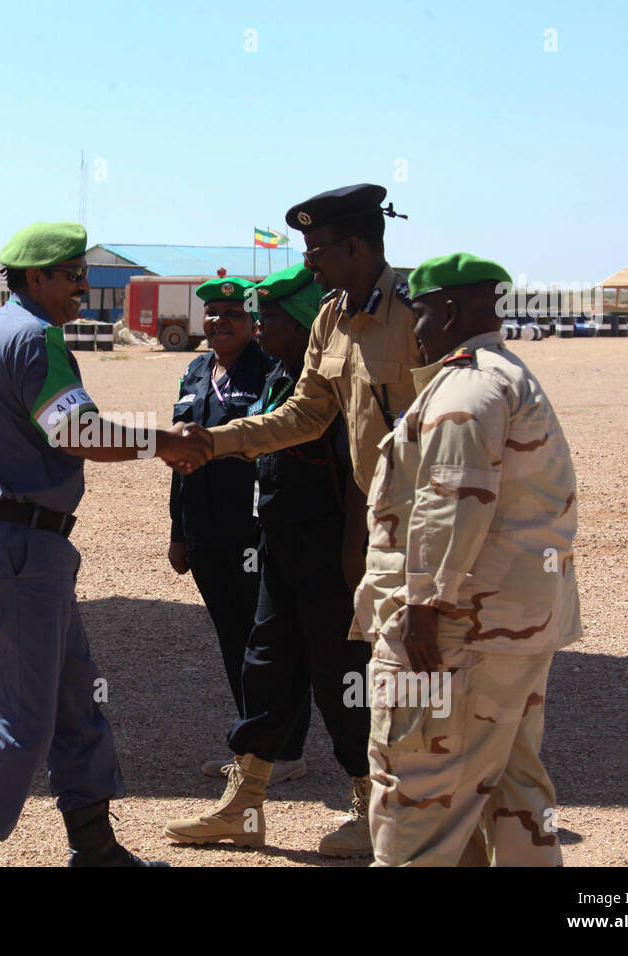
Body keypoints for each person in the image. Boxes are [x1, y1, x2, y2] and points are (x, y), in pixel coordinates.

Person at [0, 221, 208, 866]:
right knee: (21, 717)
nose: (83, 285)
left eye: (81, 272)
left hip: (12, 539)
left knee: (73, 695)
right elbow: (76, 430)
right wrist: (163, 443)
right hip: (23, 544)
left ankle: (94, 845)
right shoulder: (36, 338)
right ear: (35, 278)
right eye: (71, 274)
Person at [188, 183, 418, 856]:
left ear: (357, 245)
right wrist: (218, 441)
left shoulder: (415, 316)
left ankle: (384, 811)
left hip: (395, 528)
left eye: (319, 250)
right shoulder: (331, 319)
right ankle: (245, 800)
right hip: (338, 527)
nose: (311, 263)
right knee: (268, 661)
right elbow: (308, 413)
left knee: (367, 669)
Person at [357, 252, 581, 866]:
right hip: (509, 626)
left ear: (450, 310)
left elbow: (452, 502)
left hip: (460, 628)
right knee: (511, 792)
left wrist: (424, 607)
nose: (417, 329)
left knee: (418, 794)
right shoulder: (506, 375)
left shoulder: (468, 388)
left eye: (421, 314)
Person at [164, 263, 370, 848]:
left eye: (271, 315)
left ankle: (373, 807)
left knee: (340, 677)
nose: (261, 323)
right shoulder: (287, 375)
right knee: (265, 667)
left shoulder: (336, 381)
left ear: (302, 322)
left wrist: (355, 553)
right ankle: (244, 805)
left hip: (330, 556)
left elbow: (357, 475)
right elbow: (272, 431)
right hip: (282, 549)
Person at [168, 277, 299, 779]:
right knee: (231, 637)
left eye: (233, 313)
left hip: (254, 530)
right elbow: (180, 455)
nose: (220, 321)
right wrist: (179, 532)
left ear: (254, 322)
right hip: (205, 530)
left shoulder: (271, 370)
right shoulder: (196, 370)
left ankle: (283, 752)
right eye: (213, 312)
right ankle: (254, 744)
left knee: (266, 639)